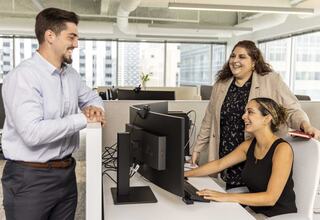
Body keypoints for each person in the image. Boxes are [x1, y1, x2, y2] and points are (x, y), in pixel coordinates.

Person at [1, 8, 105, 220]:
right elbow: (33, 133)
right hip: (30, 178)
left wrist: (96, 108)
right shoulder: (24, 77)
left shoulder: (71, 76)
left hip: (66, 173)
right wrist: (83, 118)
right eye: (71, 36)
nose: (76, 44)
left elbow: (93, 98)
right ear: (50, 36)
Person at [191, 40, 320, 190]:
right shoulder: (222, 84)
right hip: (229, 155)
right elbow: (209, 119)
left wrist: (305, 125)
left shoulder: (271, 80)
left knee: (255, 197)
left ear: (254, 62)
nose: (235, 61)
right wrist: (197, 149)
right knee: (233, 198)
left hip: (256, 153)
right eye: (233, 56)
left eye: (242, 57)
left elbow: (291, 109)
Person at [186, 98, 297, 218]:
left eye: (250, 112)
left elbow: (270, 198)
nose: (244, 116)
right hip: (255, 210)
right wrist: (185, 173)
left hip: (277, 214)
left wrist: (225, 197)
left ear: (267, 118)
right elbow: (219, 164)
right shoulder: (250, 144)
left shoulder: (282, 149)